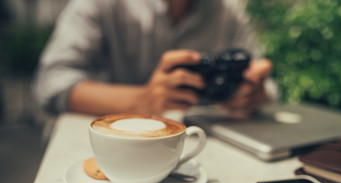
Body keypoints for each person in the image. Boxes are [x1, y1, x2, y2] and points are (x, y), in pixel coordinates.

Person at [33, 0, 273, 118]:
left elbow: (268, 85)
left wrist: (253, 93)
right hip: (124, 149)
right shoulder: (101, 4)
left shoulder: (229, 12)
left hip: (210, 147)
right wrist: (142, 100)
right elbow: (50, 81)